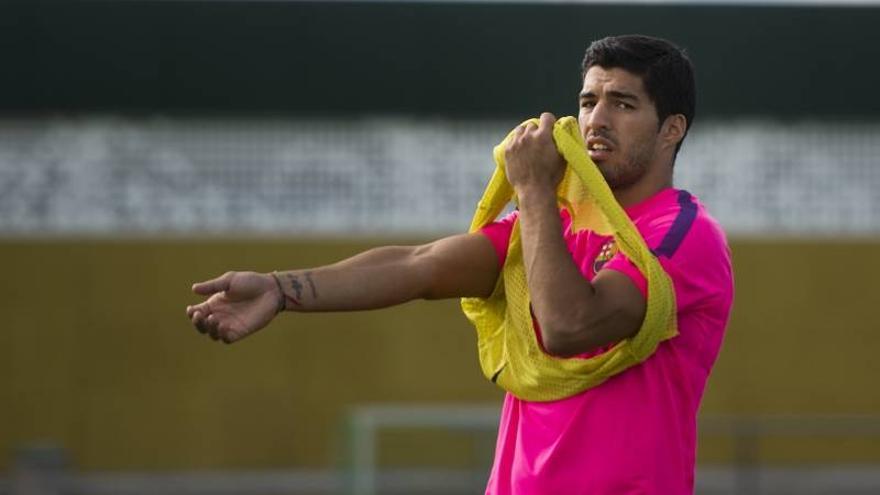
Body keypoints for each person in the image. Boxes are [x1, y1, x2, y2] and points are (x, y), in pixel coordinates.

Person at [186, 35, 734, 495]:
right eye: (588, 101)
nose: (595, 119)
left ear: (671, 129)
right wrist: (281, 290)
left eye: (623, 103)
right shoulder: (556, 222)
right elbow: (420, 265)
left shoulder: (680, 234)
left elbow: (569, 327)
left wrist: (534, 191)